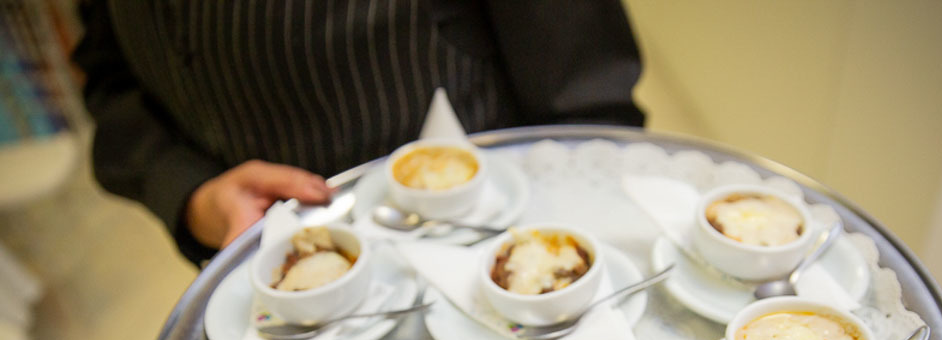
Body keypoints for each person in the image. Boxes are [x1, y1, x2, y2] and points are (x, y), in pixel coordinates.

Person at [72, 0, 645, 267]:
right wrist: (190, 192)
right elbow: (109, 77)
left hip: (500, 250)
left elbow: (586, 91)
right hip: (265, 271)